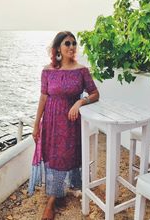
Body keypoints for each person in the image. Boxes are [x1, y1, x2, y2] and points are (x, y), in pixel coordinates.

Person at [31, 31, 99, 220]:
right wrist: (36, 124)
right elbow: (43, 97)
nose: (71, 47)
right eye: (67, 43)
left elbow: (95, 94)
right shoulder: (47, 71)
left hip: (71, 123)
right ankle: (53, 199)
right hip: (52, 122)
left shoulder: (82, 70)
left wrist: (80, 102)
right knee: (54, 157)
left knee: (69, 157)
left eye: (73, 43)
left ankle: (62, 193)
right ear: (58, 48)